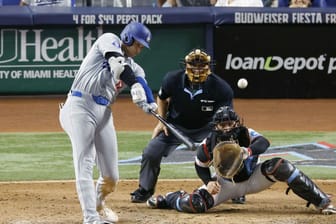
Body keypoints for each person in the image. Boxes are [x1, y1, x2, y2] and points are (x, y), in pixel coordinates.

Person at [146, 106, 336, 215]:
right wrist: (209, 182)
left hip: (254, 178)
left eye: (230, 124)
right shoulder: (209, 142)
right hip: (226, 184)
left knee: (281, 166)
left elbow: (264, 142)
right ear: (216, 126)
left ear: (237, 123)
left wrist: (248, 151)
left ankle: (323, 202)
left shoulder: (245, 133)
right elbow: (200, 164)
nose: (227, 128)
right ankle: (170, 198)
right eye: (223, 124)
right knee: (195, 204)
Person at [59, 22, 157, 224]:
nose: (139, 50)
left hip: (103, 113)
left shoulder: (135, 67)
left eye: (142, 47)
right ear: (128, 38)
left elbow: (142, 82)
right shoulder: (109, 40)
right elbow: (118, 65)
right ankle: (91, 218)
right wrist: (134, 84)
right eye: (137, 44)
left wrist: (151, 104)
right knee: (85, 161)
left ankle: (98, 203)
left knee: (111, 177)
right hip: (79, 105)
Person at [130, 49, 234, 203]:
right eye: (194, 66)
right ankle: (145, 189)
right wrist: (161, 122)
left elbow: (226, 116)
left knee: (229, 151)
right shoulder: (172, 79)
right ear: (186, 66)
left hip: (208, 128)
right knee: (151, 152)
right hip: (175, 126)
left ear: (209, 67)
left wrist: (219, 135)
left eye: (202, 66)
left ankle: (233, 189)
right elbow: (162, 98)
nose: (197, 70)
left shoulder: (221, 88)